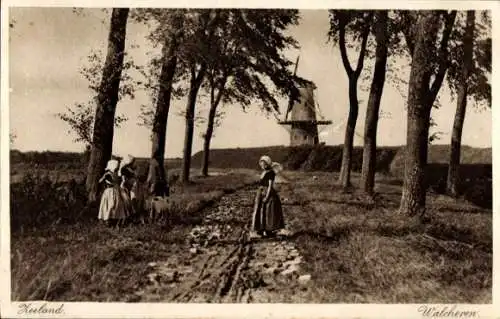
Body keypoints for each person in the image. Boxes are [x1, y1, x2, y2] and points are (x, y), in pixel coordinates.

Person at [251, 155, 285, 238]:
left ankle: (269, 230)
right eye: (261, 164)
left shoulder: (270, 173)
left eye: (264, 164)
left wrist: (267, 196)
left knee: (269, 211)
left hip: (267, 193)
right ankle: (261, 229)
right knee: (260, 210)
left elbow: (270, 186)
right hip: (261, 192)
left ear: (267, 164)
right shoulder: (263, 172)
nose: (262, 165)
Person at [98, 159, 128, 227]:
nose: (117, 169)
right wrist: (104, 178)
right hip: (109, 192)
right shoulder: (108, 174)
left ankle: (114, 219)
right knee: (109, 205)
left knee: (116, 205)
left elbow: (118, 181)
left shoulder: (116, 174)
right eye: (116, 168)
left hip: (115, 191)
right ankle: (107, 219)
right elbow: (100, 181)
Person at [119, 155, 137, 220]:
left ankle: (131, 214)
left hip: (131, 186)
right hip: (126, 186)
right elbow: (124, 179)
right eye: (131, 162)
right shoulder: (123, 169)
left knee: (131, 199)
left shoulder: (129, 169)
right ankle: (128, 215)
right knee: (127, 200)